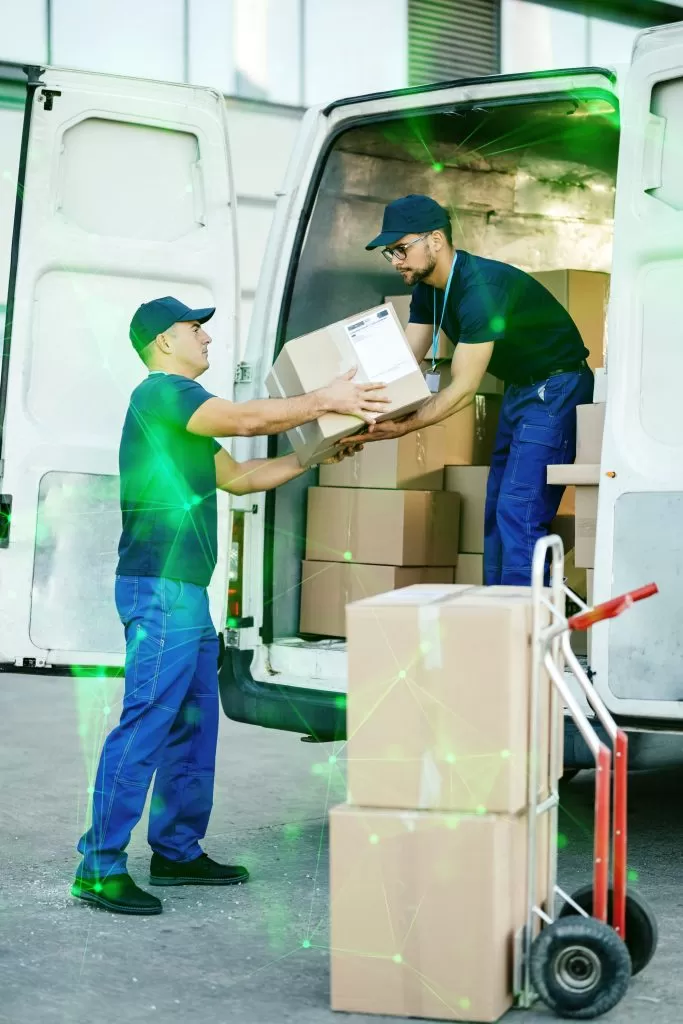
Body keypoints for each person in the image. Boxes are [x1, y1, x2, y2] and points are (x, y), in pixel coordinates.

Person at [73, 296, 387, 915]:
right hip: (158, 589)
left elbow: (239, 478)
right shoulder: (161, 393)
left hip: (186, 592)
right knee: (145, 723)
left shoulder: (180, 418)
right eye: (197, 329)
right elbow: (246, 421)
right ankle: (98, 866)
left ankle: (177, 850)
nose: (208, 340)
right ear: (164, 342)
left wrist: (311, 457)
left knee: (192, 724)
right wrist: (326, 398)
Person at [362, 194, 594, 586]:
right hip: (523, 389)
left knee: (518, 509)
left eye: (401, 249)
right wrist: (352, 409)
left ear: (435, 240)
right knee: (496, 509)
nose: (396, 261)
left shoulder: (481, 289)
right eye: (390, 253)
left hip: (556, 387)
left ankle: (526, 631)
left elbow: (464, 389)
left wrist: (400, 428)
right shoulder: (427, 288)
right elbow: (402, 365)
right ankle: (498, 613)